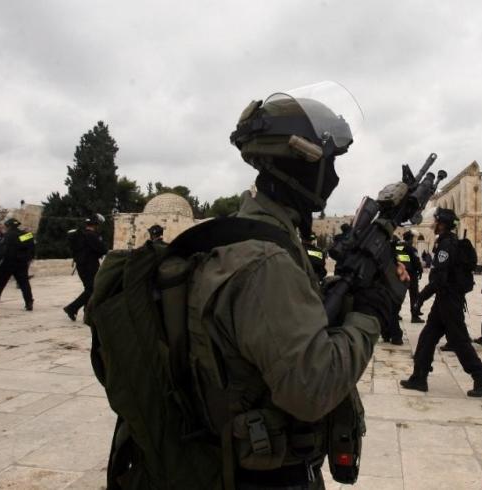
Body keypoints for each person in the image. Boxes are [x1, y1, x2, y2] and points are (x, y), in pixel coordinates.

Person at [107, 87, 397, 487]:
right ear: (301, 163)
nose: (333, 175)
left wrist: (340, 290)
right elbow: (312, 388)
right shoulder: (265, 261)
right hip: (265, 477)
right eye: (328, 162)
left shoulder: (241, 236)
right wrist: (370, 314)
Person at [401, 208, 482, 397]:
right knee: (427, 337)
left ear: (442, 224)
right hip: (445, 299)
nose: (434, 224)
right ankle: (419, 377)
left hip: (449, 299)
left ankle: (481, 377)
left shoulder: (446, 245)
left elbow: (440, 278)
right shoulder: (447, 242)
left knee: (459, 340)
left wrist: (421, 296)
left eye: (436, 221)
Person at [0, 217, 35, 310]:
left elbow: (3, 249)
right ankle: (29, 302)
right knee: (24, 284)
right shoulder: (26, 235)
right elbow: (32, 248)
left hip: (8, 262)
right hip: (21, 263)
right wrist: (29, 258)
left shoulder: (8, 235)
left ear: (8, 226)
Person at [63, 216, 108, 322]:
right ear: (95, 225)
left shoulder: (81, 235)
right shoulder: (91, 235)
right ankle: (72, 308)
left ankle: (87, 313)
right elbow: (103, 249)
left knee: (89, 289)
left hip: (81, 265)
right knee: (92, 289)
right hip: (90, 266)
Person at [396, 231, 424, 324]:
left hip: (401, 272)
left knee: (399, 295)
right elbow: (416, 261)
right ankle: (414, 316)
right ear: (411, 239)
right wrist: (420, 270)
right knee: (414, 295)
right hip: (411, 274)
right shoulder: (411, 248)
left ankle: (395, 314)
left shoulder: (398, 247)